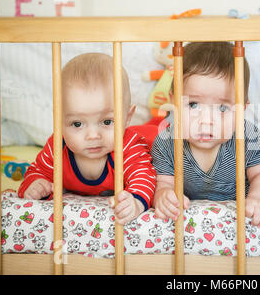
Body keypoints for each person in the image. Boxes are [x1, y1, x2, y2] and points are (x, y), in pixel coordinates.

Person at [18, 53, 157, 225]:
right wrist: (36, 184)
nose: (92, 135)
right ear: (59, 120)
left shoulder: (128, 145)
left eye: (107, 121)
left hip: (152, 137)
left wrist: (135, 201)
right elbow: (38, 171)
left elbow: (144, 175)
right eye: (77, 124)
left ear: (128, 117)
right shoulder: (57, 147)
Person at [151, 42, 260, 227]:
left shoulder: (250, 138)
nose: (205, 120)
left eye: (222, 108)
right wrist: (164, 195)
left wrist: (259, 198)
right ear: (172, 102)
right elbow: (164, 182)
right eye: (193, 104)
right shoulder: (166, 143)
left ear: (242, 109)